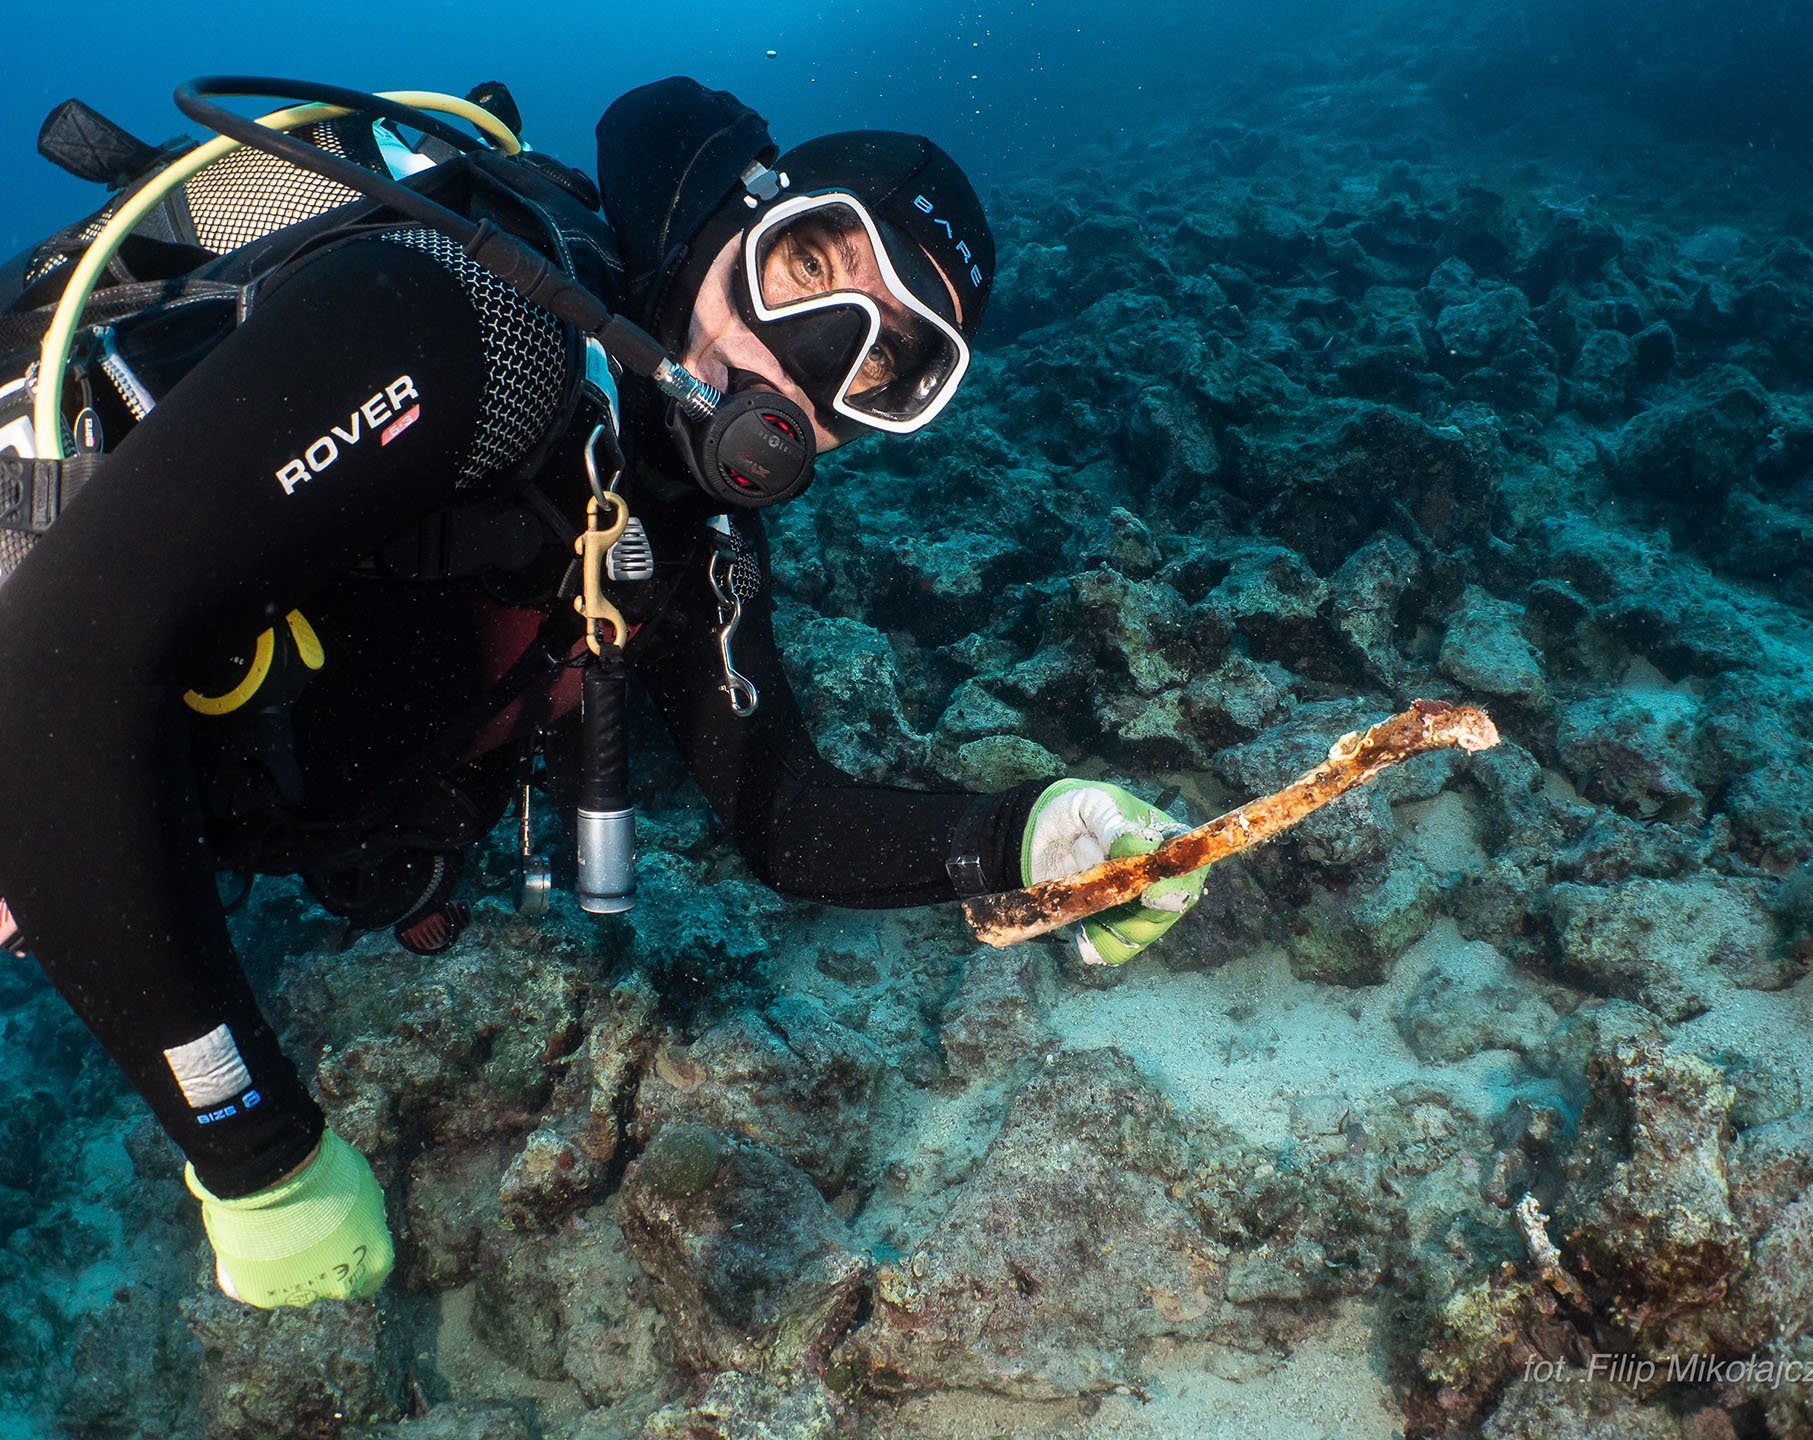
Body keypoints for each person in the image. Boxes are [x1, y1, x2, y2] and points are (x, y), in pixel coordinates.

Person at [0, 77, 1209, 1310]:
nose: (816, 363)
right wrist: (257, 1158)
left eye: (891, 364)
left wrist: (1025, 838)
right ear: (735, 216)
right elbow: (56, 667)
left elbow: (783, 812)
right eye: (815, 269)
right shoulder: (466, 323)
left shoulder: (669, 528)